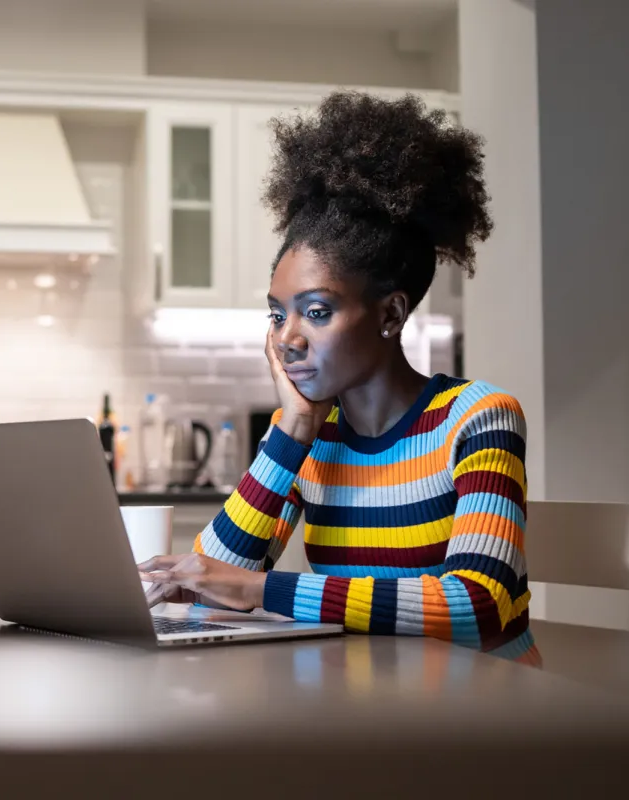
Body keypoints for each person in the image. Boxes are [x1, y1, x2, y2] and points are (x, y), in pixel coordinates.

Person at [139, 91, 540, 665]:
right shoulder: (313, 436)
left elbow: (475, 605)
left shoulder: (478, 417)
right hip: (367, 704)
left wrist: (262, 591)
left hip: (490, 713)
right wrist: (294, 429)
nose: (287, 338)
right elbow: (212, 585)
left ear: (391, 315)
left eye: (317, 312)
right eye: (278, 314)